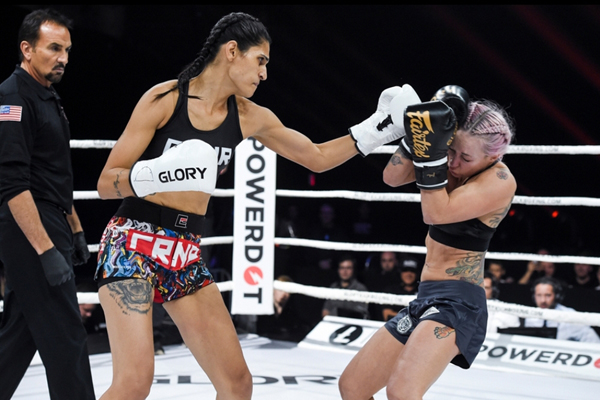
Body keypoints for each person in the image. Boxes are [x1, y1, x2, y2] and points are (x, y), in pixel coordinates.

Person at [93, 11, 420, 400]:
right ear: (232, 51)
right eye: (260, 60)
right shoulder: (165, 100)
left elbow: (316, 157)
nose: (264, 74)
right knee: (133, 383)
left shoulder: (250, 117)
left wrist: (380, 127)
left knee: (237, 385)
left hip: (184, 252)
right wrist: (156, 175)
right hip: (131, 244)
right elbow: (105, 183)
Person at [339, 85, 517, 400]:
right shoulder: (450, 162)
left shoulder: (499, 181)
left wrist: (431, 151)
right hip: (426, 296)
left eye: (465, 157)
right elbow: (392, 176)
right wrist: (418, 136)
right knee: (353, 387)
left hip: (460, 304)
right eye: (451, 150)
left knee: (402, 392)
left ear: (493, 157)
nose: (454, 162)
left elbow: (435, 213)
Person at [0, 9, 95, 400]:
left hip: (50, 223)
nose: (63, 58)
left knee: (17, 336)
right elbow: (12, 184)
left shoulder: (46, 94)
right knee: (67, 338)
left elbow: (54, 174)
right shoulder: (14, 97)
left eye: (67, 50)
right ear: (27, 49)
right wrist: (46, 250)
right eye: (54, 48)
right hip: (31, 229)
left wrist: (75, 229)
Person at [522, 277, 600, 343]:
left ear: (557, 296)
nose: (543, 300)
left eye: (548, 295)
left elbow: (593, 340)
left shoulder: (569, 315)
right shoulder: (530, 315)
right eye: (539, 295)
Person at [322, 254, 370, 319]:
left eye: (348, 268)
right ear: (338, 270)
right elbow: (326, 310)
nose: (345, 271)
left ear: (353, 270)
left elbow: (361, 313)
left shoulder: (360, 289)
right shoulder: (333, 287)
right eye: (342, 268)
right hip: (333, 323)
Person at [380, 254, 420, 322]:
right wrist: (413, 318)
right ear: (400, 272)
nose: (408, 274)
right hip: (394, 327)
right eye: (405, 270)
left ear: (417, 273)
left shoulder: (423, 292)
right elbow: (387, 315)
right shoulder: (391, 290)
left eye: (412, 270)